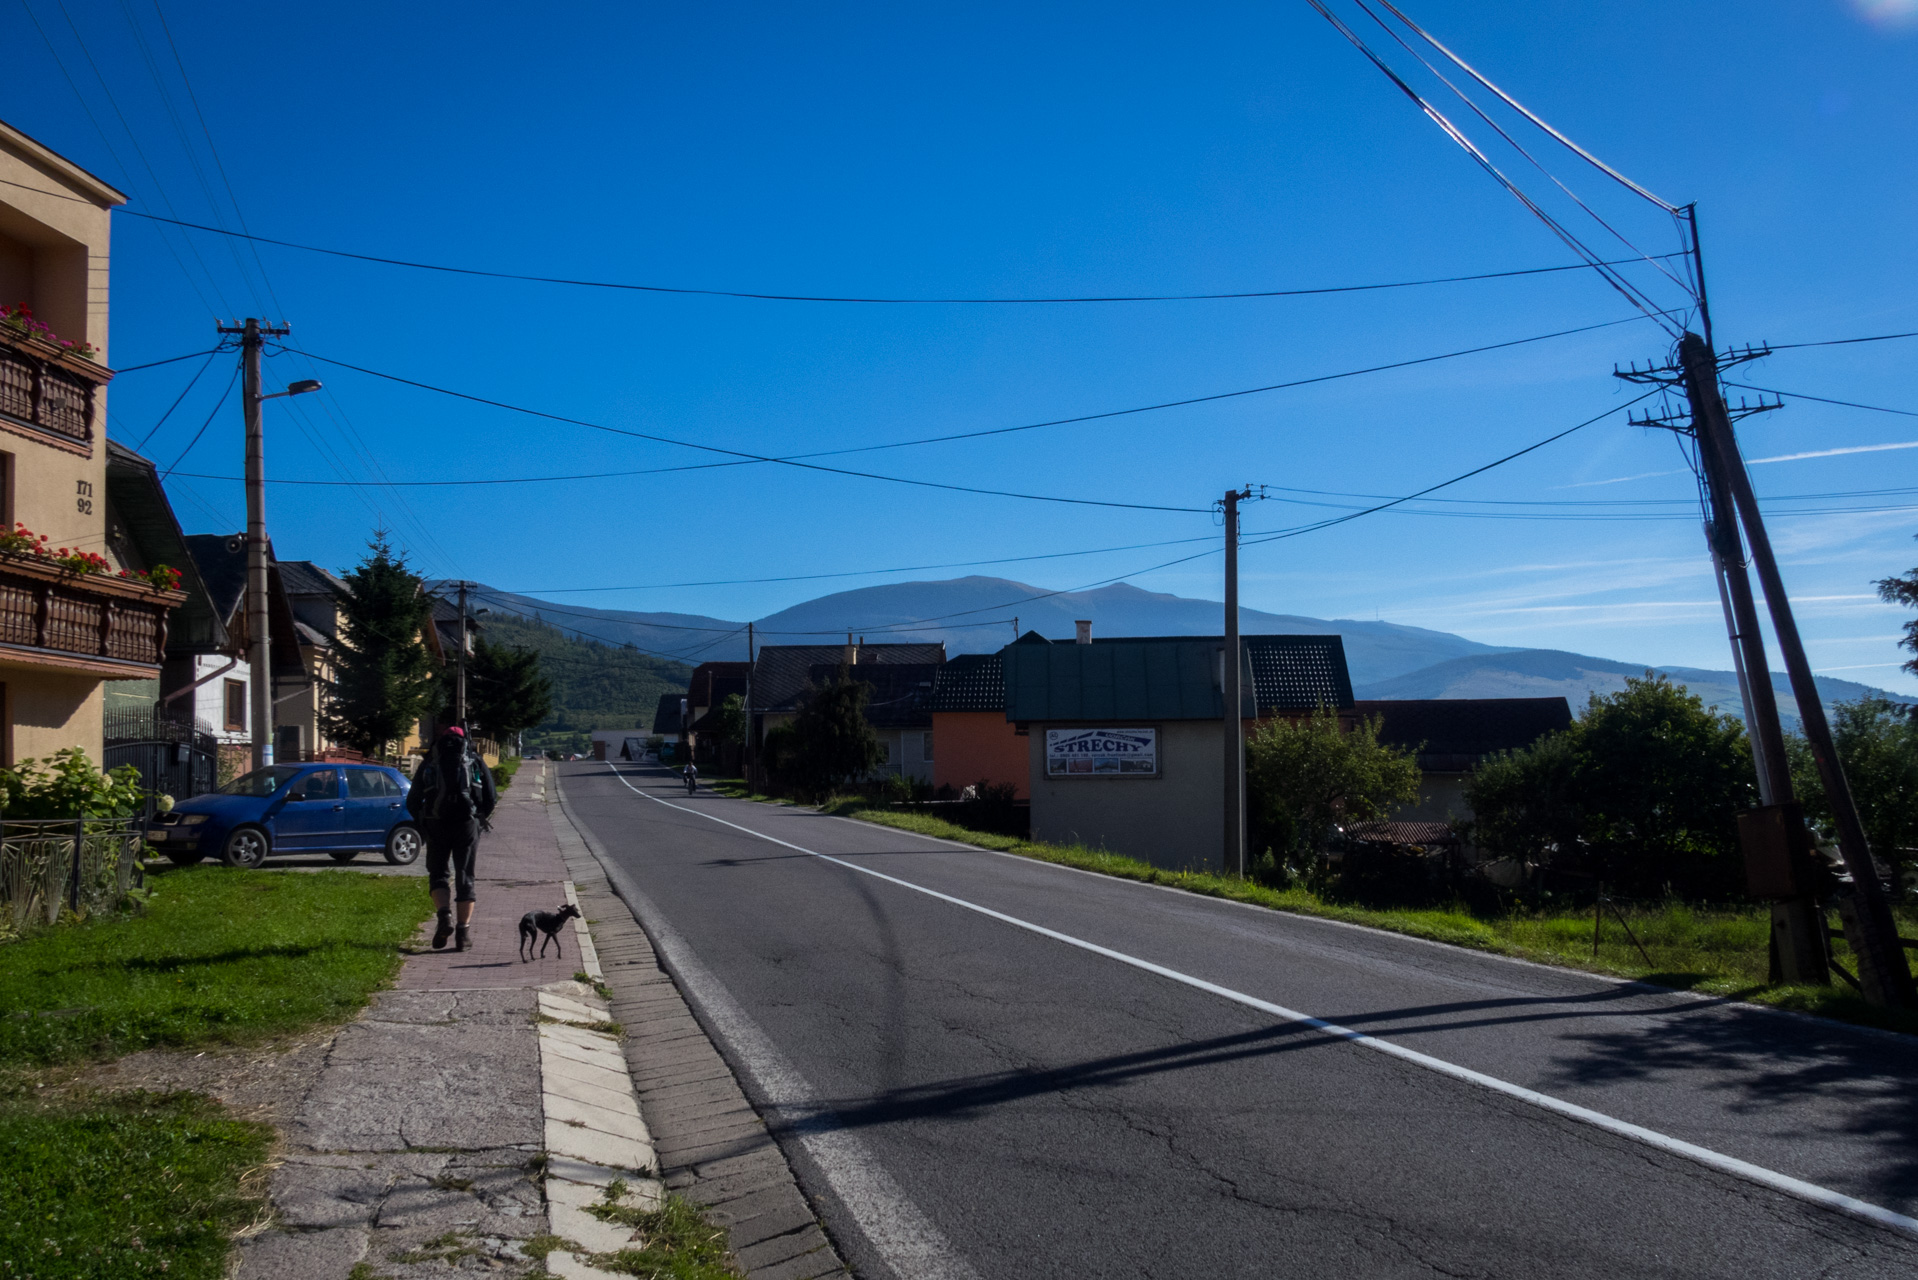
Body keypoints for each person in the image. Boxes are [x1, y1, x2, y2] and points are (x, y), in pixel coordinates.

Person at [406, 725, 498, 952]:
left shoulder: (431, 760)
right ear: (464, 740)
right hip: (466, 824)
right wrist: (479, 818)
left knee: (438, 874)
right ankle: (463, 933)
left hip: (436, 823)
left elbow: (413, 798)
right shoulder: (474, 759)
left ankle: (444, 916)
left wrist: (423, 821)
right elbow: (491, 796)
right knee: (465, 876)